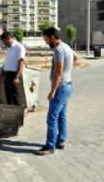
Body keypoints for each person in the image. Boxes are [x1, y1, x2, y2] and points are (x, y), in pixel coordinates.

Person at [37, 27, 77, 156]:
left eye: (46, 38)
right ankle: (60, 142)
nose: (45, 41)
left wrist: (52, 91)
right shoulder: (66, 46)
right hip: (68, 85)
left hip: (61, 88)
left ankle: (50, 146)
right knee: (62, 116)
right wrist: (68, 70)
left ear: (52, 37)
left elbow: (58, 72)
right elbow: (76, 58)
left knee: (52, 118)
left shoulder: (59, 49)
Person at [0, 31, 26, 106]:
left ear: (9, 38)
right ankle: (11, 114)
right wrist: (1, 76)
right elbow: (6, 63)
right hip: (7, 75)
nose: (4, 43)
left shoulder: (19, 47)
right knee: (8, 96)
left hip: (14, 75)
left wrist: (17, 77)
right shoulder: (9, 48)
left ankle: (19, 116)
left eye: (4, 41)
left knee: (16, 97)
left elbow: (21, 62)